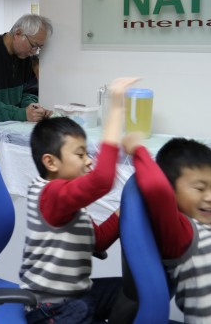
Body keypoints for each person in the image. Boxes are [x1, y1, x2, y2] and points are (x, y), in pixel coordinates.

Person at [19, 77, 138, 324]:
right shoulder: (51, 196)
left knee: (132, 292)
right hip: (50, 309)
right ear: (51, 162)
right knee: (82, 309)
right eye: (80, 154)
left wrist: (127, 207)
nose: (89, 161)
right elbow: (103, 180)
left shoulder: (69, 202)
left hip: (77, 294)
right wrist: (116, 109)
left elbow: (99, 240)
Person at [125, 136, 211, 321]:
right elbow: (157, 189)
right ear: (171, 191)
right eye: (200, 188)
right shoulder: (181, 232)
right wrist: (138, 150)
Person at [0, 14, 52, 123]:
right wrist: (22, 114)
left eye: (39, 47)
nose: (34, 51)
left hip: (12, 125)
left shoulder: (25, 56)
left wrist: (33, 109)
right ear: (18, 33)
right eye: (33, 45)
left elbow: (30, 91)